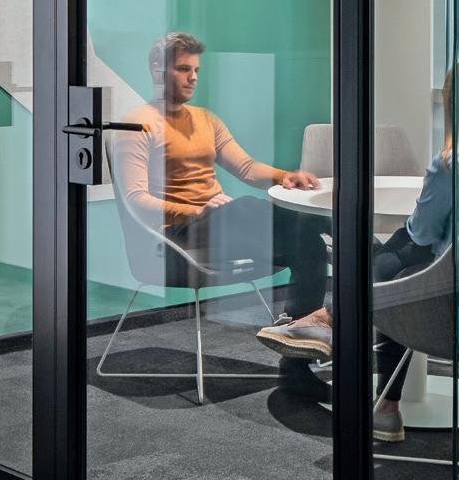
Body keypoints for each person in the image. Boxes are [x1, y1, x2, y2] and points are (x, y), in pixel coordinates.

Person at [255, 53, 459, 442]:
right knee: (400, 267)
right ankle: (354, 362)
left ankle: (333, 329)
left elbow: (422, 233)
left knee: (400, 272)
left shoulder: (454, 163)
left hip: (451, 302)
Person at [115, 32, 324, 387]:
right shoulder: (136, 125)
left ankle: (295, 363)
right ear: (157, 69)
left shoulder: (205, 120)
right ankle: (355, 240)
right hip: (176, 236)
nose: (193, 77)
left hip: (221, 221)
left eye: (196, 70)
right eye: (184, 69)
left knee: (310, 247)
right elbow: (136, 199)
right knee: (248, 209)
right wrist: (194, 211)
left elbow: (245, 167)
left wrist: (284, 176)